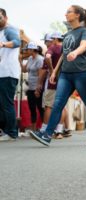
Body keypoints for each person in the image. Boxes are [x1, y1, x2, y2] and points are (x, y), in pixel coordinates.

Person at [30, 5, 86, 147]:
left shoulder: (85, 31)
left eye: (68, 12)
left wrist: (75, 53)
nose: (65, 14)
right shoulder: (67, 34)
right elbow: (64, 55)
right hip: (65, 75)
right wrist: (55, 72)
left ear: (77, 15)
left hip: (82, 73)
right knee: (57, 104)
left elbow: (84, 45)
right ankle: (47, 135)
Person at [36, 31, 70, 139]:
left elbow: (47, 57)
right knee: (62, 106)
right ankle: (59, 131)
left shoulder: (53, 48)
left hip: (53, 81)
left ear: (55, 39)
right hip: (66, 81)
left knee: (49, 106)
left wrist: (52, 71)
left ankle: (43, 130)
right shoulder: (67, 48)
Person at [0, 8, 21, 141]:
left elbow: (17, 42)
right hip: (3, 72)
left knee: (6, 103)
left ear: (6, 18)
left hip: (8, 72)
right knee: (2, 103)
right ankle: (5, 130)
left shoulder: (9, 29)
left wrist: (3, 44)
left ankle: (11, 132)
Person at [19, 42, 44, 131]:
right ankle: (33, 129)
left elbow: (41, 74)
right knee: (32, 108)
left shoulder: (40, 59)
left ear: (32, 50)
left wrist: (38, 88)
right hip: (30, 87)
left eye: (27, 50)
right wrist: (20, 61)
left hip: (37, 87)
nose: (26, 51)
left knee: (40, 108)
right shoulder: (30, 58)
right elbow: (24, 70)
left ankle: (44, 128)